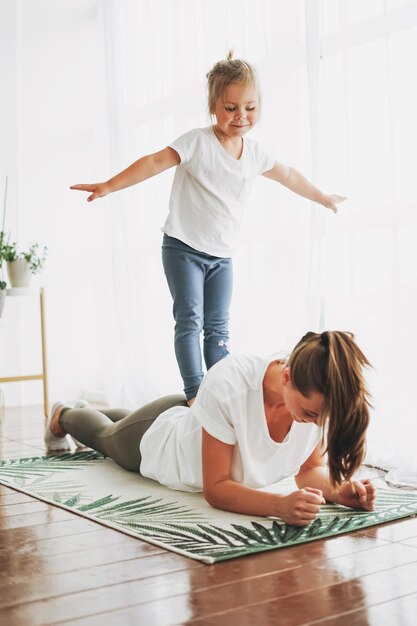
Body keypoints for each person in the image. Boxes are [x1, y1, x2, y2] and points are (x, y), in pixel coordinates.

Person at [70, 52, 346, 406]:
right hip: (183, 247)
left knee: (218, 328)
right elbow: (154, 162)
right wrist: (109, 185)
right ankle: (195, 392)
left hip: (222, 256)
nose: (240, 117)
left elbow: (288, 175)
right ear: (213, 106)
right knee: (190, 319)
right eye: (230, 108)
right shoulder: (197, 142)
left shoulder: (255, 153)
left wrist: (321, 197)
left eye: (250, 107)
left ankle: (222, 390)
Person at [45, 330, 375, 526]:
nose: (316, 424)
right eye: (310, 414)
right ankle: (63, 415)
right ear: (287, 377)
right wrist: (279, 506)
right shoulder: (233, 381)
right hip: (162, 441)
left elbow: (309, 469)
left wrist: (338, 490)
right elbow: (216, 489)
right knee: (106, 437)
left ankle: (104, 412)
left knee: (124, 420)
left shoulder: (316, 396)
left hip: (195, 420)